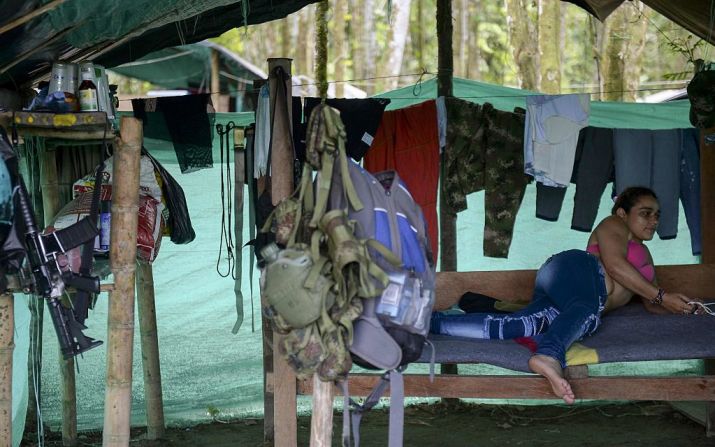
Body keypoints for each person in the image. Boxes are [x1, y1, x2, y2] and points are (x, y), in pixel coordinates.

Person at [430, 186, 704, 404]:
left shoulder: (645, 258)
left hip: (571, 303)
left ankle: (427, 322)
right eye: (645, 213)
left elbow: (653, 303)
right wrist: (661, 295)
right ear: (622, 213)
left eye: (657, 215)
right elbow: (615, 267)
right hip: (573, 270)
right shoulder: (614, 225)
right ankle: (549, 355)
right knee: (590, 308)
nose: (654, 220)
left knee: (513, 326)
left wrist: (684, 306)